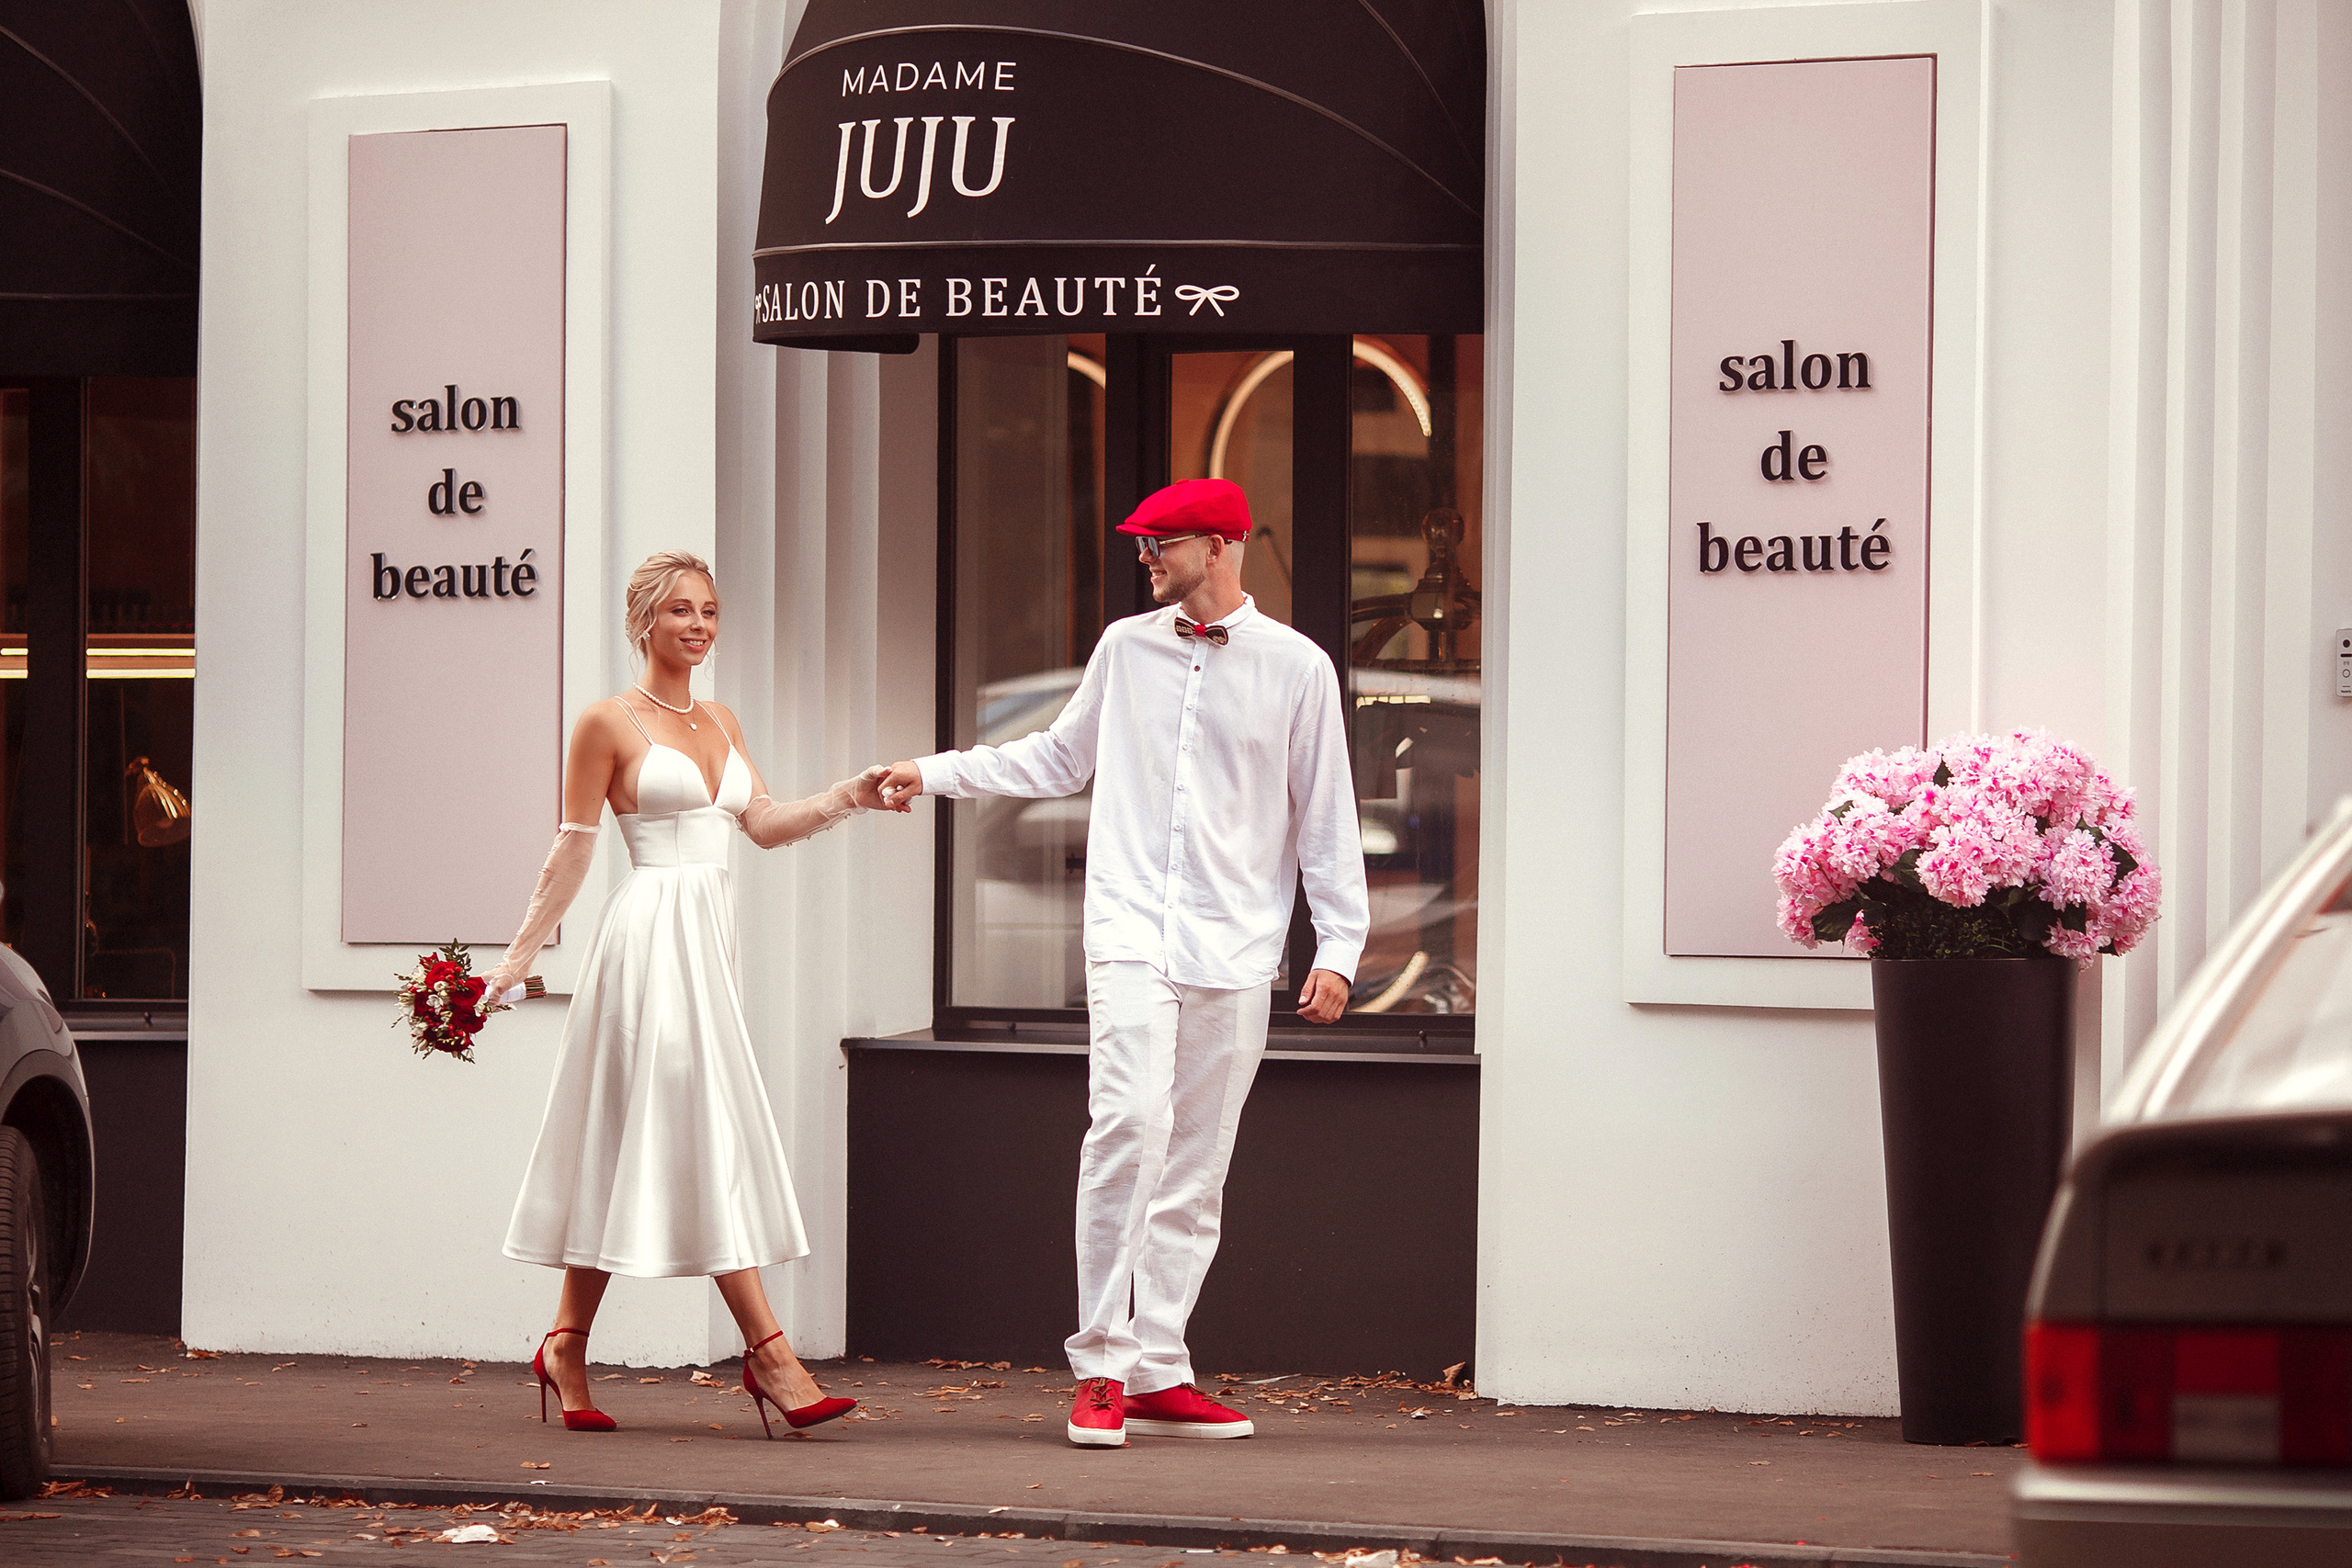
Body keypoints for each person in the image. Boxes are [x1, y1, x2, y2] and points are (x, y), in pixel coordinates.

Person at [876, 478, 1370, 1448]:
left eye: (1159, 544)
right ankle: (1099, 1363)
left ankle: (1159, 1367)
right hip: (1131, 929)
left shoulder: (1298, 668)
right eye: (1142, 544)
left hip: (1235, 942)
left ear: (1221, 546)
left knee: (1196, 1164)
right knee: (1126, 1125)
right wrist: (933, 773)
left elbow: (1326, 815)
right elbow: (1058, 761)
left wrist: (1340, 948)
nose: (1143, 558)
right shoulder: (1125, 647)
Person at [484, 549, 885, 1438]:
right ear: (643, 622)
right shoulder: (606, 722)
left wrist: (847, 796)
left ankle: (564, 1344)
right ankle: (771, 1354)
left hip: (708, 948)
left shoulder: (722, 718)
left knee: (630, 1141)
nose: (699, 625)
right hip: (648, 945)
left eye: (709, 609)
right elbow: (575, 848)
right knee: (694, 1126)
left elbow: (765, 824)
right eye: (679, 611)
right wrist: (513, 962)